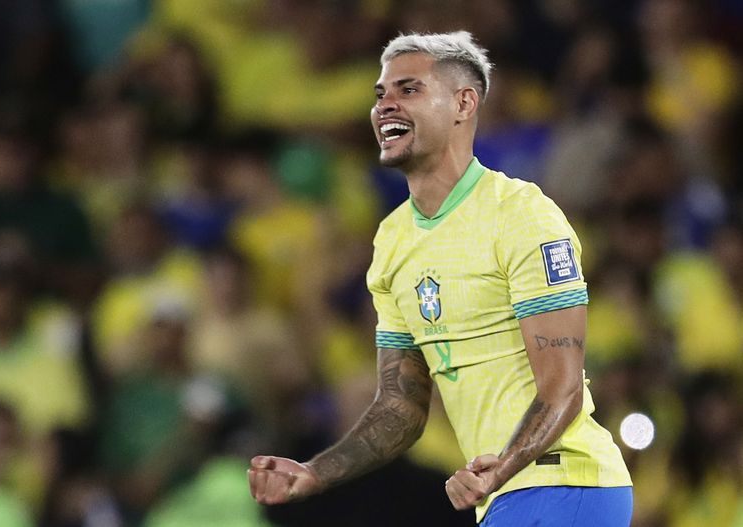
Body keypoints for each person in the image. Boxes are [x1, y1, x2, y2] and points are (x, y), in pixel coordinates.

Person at [248, 31, 633, 526]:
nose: (385, 105)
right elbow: (400, 408)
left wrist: (500, 472)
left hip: (564, 484)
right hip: (504, 495)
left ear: (463, 104)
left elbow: (562, 389)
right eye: (380, 94)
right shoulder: (392, 241)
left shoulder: (522, 215)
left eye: (408, 90)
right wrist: (316, 472)